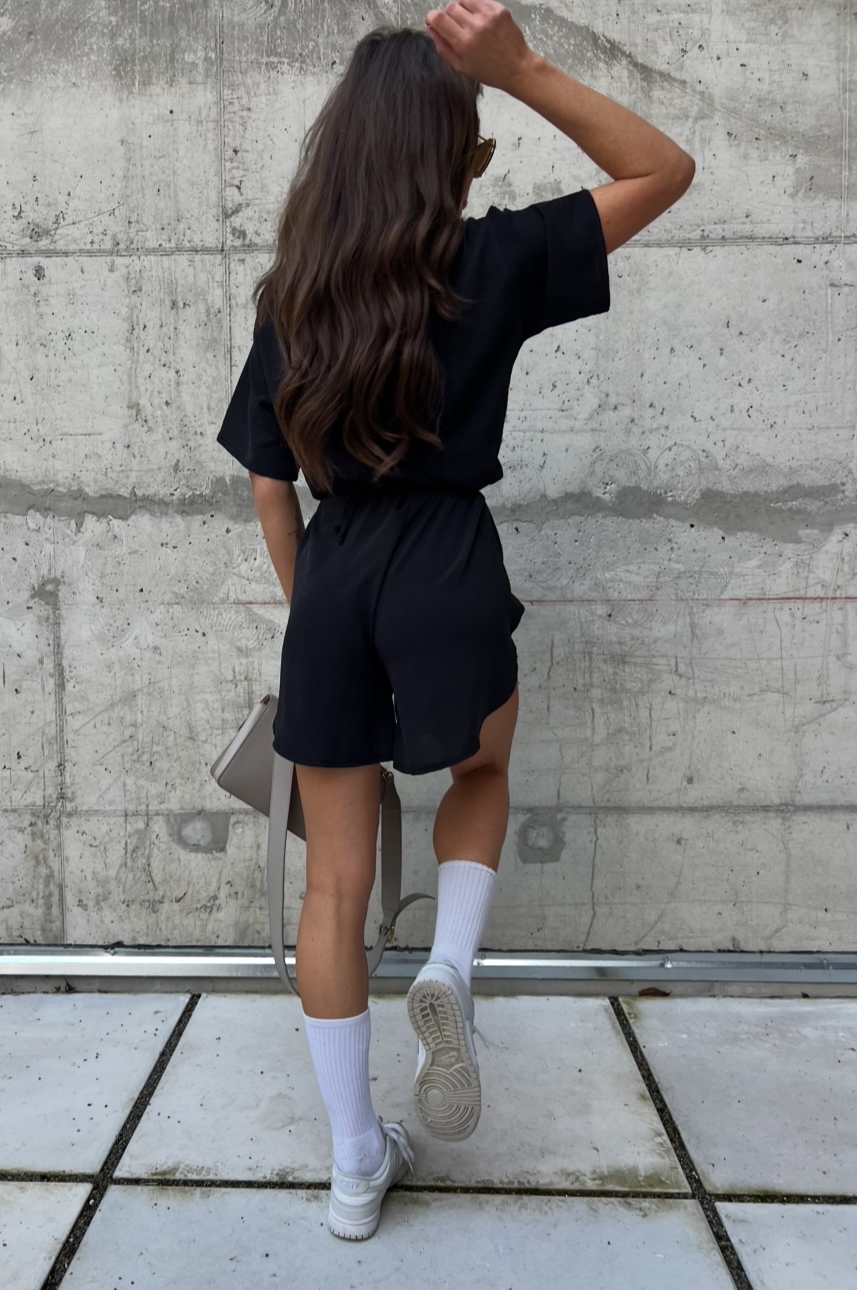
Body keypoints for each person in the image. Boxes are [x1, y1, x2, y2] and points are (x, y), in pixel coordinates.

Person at [216, 0, 694, 1241]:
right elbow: (661, 169)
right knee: (478, 770)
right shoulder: (489, 261)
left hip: (333, 577)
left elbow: (267, 484)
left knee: (334, 885)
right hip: (448, 562)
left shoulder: (291, 296)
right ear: (450, 155)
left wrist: (315, 614)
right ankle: (448, 968)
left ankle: (353, 1168)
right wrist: (516, 68)